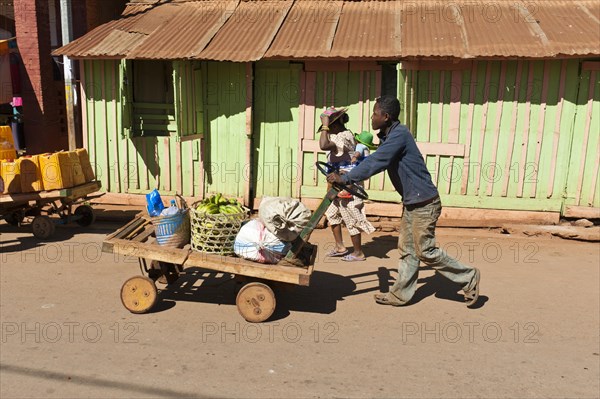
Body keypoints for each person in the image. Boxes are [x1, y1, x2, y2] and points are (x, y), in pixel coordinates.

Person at [327, 95, 481, 307]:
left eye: (375, 113)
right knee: (407, 250)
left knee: (424, 250)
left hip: (424, 203)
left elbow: (378, 161)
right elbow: (374, 158)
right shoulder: (390, 135)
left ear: (386, 116)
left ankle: (468, 276)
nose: (372, 117)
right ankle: (400, 295)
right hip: (413, 202)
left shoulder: (399, 136)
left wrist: (345, 178)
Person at [319, 106, 375, 262]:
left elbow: (323, 145)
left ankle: (358, 253)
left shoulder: (343, 136)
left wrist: (324, 124)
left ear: (334, 125)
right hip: (336, 183)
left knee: (351, 215)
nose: (327, 131)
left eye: (328, 127)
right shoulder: (338, 136)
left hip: (349, 182)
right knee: (332, 213)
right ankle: (340, 246)